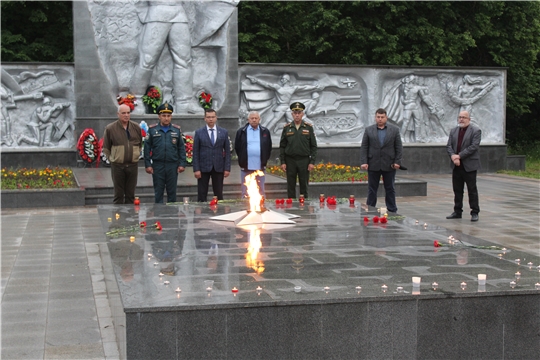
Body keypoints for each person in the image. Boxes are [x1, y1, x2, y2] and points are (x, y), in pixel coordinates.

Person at [360, 108, 403, 213]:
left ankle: (392, 209)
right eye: (378, 117)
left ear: (386, 117)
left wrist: (397, 162)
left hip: (389, 164)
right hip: (373, 163)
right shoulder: (369, 130)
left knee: (390, 188)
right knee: (372, 189)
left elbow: (399, 147)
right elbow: (364, 147)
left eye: (382, 117)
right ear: (375, 118)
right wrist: (364, 161)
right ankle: (370, 208)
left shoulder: (394, 130)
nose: (380, 119)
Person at [246, 73, 320, 132]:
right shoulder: (278, 87)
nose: (281, 80)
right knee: (274, 121)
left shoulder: (292, 88)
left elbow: (304, 87)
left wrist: (314, 87)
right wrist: (256, 80)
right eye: (281, 79)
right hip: (281, 107)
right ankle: (264, 132)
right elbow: (267, 84)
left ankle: (295, 135)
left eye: (283, 79)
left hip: (287, 108)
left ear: (287, 80)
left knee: (291, 122)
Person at [144, 103, 187, 203]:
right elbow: (146, 148)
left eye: (168, 116)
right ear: (159, 116)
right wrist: (147, 164)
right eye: (164, 116)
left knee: (172, 193)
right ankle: (158, 215)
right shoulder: (152, 130)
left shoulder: (176, 130)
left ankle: (172, 216)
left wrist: (182, 163)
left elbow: (181, 148)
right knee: (158, 192)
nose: (166, 118)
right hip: (158, 166)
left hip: (172, 165)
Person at [102, 104, 143, 204]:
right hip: (118, 166)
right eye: (123, 113)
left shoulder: (136, 127)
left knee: (130, 195)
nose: (126, 115)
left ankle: (131, 218)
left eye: (128, 113)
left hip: (132, 166)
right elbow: (106, 147)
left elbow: (140, 144)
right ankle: (118, 218)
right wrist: (113, 158)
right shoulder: (110, 128)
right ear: (118, 114)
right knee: (118, 195)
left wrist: (136, 155)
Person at [445, 110, 481, 222]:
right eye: (460, 117)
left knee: (472, 190)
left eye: (464, 117)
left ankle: (474, 212)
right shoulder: (454, 131)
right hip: (456, 166)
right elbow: (449, 146)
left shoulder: (475, 130)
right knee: (457, 190)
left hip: (469, 165)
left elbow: (473, 147)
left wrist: (458, 156)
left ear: (469, 119)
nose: (461, 119)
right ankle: (457, 211)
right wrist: (453, 156)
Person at [279, 102, 317, 199]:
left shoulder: (308, 128)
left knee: (304, 184)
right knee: (290, 185)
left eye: (299, 113)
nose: (297, 115)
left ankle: (304, 206)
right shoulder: (287, 128)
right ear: (292, 114)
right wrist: (283, 162)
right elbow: (282, 146)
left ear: (302, 114)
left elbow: (313, 146)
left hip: (304, 160)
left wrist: (312, 162)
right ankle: (291, 206)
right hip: (290, 160)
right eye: (295, 113)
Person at [193, 108, 231, 202]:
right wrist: (196, 169)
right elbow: (196, 152)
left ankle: (219, 212)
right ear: (204, 118)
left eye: (213, 117)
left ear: (216, 118)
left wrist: (227, 168)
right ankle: (201, 214)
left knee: (218, 193)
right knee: (202, 193)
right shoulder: (199, 133)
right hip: (203, 167)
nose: (211, 119)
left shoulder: (223, 132)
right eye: (208, 117)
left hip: (218, 167)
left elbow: (227, 151)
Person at [234, 111, 272, 197]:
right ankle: (245, 208)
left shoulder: (265, 131)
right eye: (252, 118)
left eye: (256, 118)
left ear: (259, 119)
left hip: (260, 167)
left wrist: (264, 159)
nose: (254, 120)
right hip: (246, 167)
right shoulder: (241, 131)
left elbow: (268, 147)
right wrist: (242, 158)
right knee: (245, 192)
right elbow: (237, 147)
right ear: (248, 119)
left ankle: (262, 208)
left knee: (261, 191)